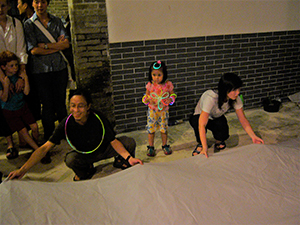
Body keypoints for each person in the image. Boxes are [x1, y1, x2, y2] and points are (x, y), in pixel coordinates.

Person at [8, 89, 143, 181]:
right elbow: (44, 148)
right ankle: (86, 170)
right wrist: (22, 170)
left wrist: (129, 157)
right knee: (71, 159)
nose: (76, 110)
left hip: (104, 149)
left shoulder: (98, 118)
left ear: (88, 106)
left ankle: (121, 161)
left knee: (128, 142)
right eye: (72, 105)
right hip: (85, 155)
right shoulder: (66, 124)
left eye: (81, 106)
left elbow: (113, 141)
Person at [23, 0, 69, 145]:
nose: (40, 5)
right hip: (41, 71)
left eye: (43, 2)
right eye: (37, 2)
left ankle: (66, 133)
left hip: (59, 68)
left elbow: (66, 44)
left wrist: (47, 46)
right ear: (33, 3)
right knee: (47, 105)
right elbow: (34, 50)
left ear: (47, 3)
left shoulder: (56, 21)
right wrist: (57, 46)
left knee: (61, 103)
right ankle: (50, 136)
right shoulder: (29, 24)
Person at [189, 73, 264, 158]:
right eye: (234, 90)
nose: (238, 92)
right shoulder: (211, 97)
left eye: (238, 89)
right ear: (225, 89)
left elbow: (243, 119)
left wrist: (253, 136)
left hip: (216, 117)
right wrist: (205, 148)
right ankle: (201, 144)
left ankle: (218, 141)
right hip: (199, 117)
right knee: (197, 123)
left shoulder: (236, 99)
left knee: (223, 132)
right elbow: (202, 124)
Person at [0, 0, 27, 158]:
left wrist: (20, 75)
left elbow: (21, 49)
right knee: (4, 108)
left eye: (3, 5)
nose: (0, 9)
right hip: (0, 72)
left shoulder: (16, 23)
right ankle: (10, 142)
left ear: (8, 6)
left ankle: (23, 137)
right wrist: (4, 80)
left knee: (19, 103)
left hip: (16, 70)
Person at [0, 51, 39, 158]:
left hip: (22, 106)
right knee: (23, 131)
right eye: (11, 66)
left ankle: (34, 145)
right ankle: (38, 151)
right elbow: (4, 98)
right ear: (3, 67)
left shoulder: (19, 77)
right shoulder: (3, 81)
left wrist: (25, 78)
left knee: (35, 127)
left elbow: (26, 92)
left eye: (16, 65)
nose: (15, 68)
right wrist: (6, 85)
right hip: (10, 110)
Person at [142, 60, 177, 157]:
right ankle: (151, 146)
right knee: (151, 129)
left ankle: (165, 145)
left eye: (159, 75)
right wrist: (148, 100)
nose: (156, 77)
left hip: (163, 111)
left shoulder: (168, 84)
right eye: (154, 75)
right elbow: (145, 97)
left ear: (164, 74)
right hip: (152, 111)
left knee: (164, 129)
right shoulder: (150, 85)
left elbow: (173, 94)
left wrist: (170, 99)